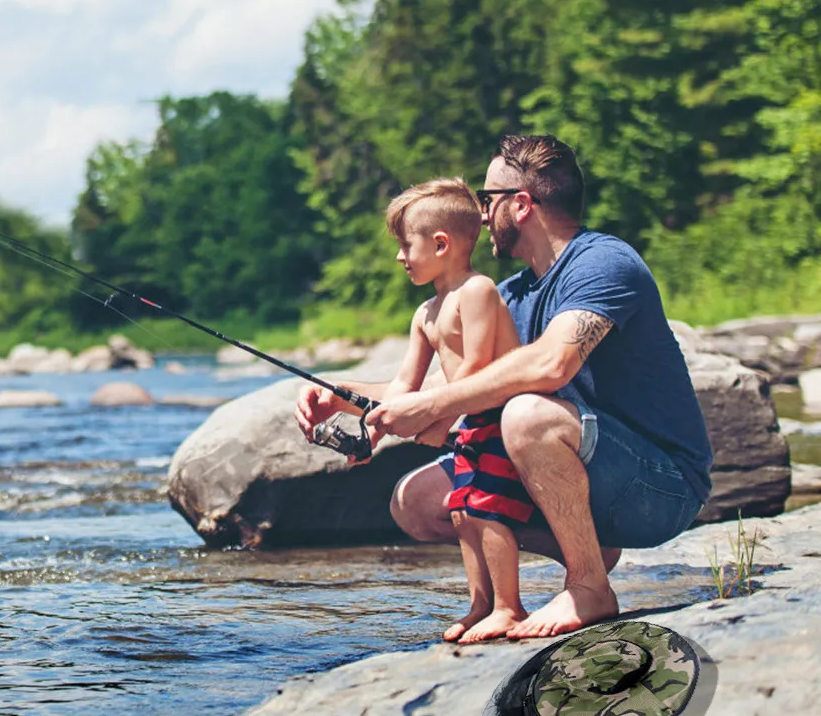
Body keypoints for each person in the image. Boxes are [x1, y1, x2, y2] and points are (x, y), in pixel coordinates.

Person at [295, 134, 713, 641]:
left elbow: (553, 363)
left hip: (660, 486)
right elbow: (448, 385)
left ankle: (589, 586)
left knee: (527, 416)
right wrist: (342, 397)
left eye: (487, 199)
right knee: (416, 500)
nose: (480, 213)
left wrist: (434, 409)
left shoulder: (603, 262)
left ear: (521, 204)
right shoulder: (510, 294)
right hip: (586, 474)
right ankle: (582, 549)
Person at [359, 178, 534, 642]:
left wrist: (439, 420)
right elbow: (404, 385)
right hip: (468, 423)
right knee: (461, 513)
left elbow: (477, 367)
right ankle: (481, 606)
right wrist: (373, 429)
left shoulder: (477, 291)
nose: (399, 257)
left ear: (440, 244)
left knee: (488, 509)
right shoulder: (425, 313)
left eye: (405, 245)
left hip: (499, 419)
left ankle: (509, 608)